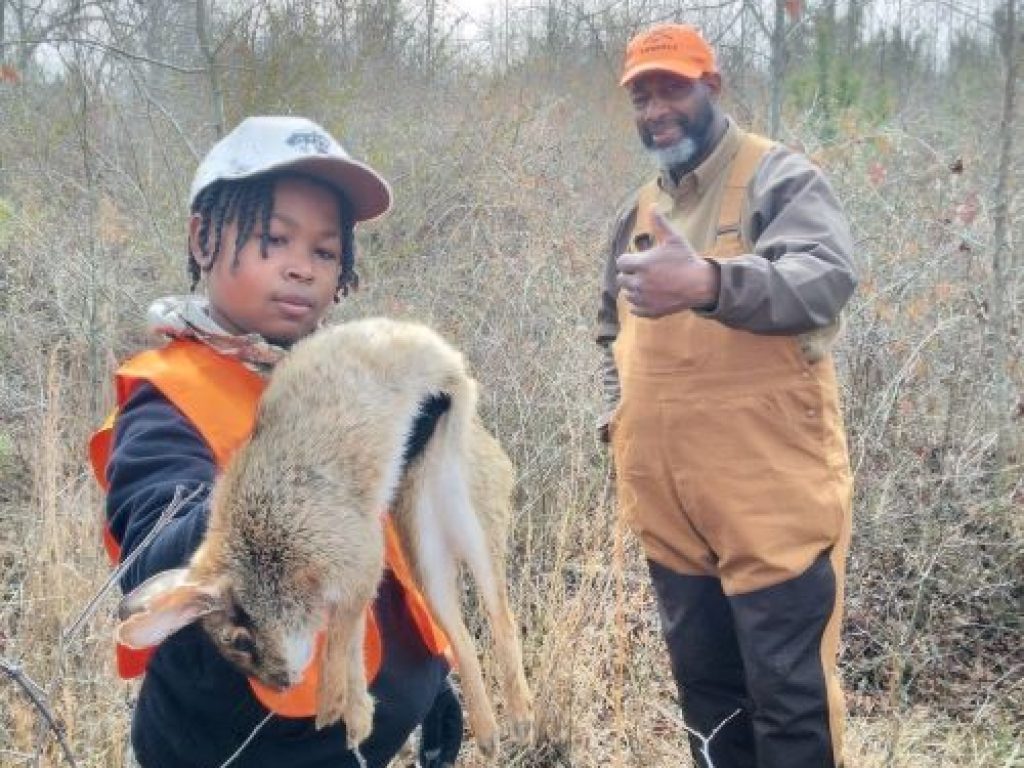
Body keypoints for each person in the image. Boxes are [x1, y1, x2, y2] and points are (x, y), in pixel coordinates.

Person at [88, 116, 463, 768]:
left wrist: (431, 684)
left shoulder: (326, 379)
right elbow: (154, 553)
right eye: (274, 239)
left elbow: (386, 560)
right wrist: (286, 475)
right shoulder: (167, 397)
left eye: (323, 252)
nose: (301, 270)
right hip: (247, 751)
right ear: (203, 238)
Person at [597, 24, 857, 768]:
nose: (656, 109)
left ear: (712, 86)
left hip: (770, 499)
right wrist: (617, 419)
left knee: (789, 703)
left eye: (672, 87)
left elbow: (825, 278)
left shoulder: (780, 177)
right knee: (707, 698)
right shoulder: (638, 207)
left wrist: (710, 281)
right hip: (669, 505)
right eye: (641, 95)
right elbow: (604, 330)